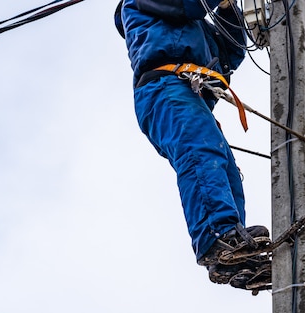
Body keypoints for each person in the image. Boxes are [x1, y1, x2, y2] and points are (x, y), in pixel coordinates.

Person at [114, 0, 270, 289]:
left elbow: (231, 54)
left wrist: (226, 9)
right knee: (201, 155)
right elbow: (193, 4)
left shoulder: (195, 28)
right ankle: (217, 237)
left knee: (225, 170)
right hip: (166, 88)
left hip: (190, 96)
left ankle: (235, 254)